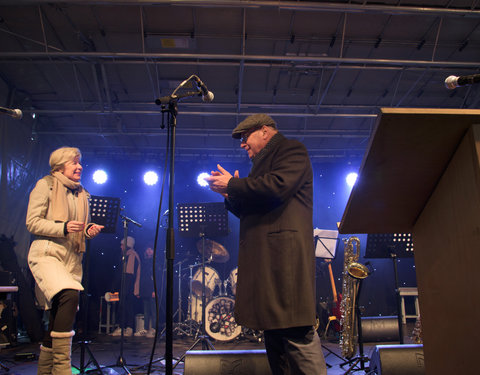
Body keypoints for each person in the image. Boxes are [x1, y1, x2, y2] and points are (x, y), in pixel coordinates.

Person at [206, 114, 327, 375]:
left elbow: (277, 186)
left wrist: (235, 184)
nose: (241, 144)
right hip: (267, 262)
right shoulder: (260, 166)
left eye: (244, 136)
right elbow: (256, 210)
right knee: (275, 335)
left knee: (297, 333)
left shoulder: (291, 149)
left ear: (264, 131)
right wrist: (231, 193)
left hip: (284, 262)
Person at [26, 146, 104, 375]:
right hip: (47, 253)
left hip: (72, 258)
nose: (80, 167)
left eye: (80, 163)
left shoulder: (83, 193)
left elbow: (81, 227)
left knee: (57, 315)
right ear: (60, 166)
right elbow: (32, 222)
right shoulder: (46, 185)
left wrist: (89, 231)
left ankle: (45, 371)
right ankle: (62, 369)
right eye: (74, 163)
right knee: (69, 293)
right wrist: (62, 227)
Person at [111, 236, 141, 337]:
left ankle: (128, 327)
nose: (121, 247)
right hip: (122, 285)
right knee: (121, 305)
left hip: (129, 285)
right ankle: (121, 326)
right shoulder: (123, 256)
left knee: (128, 306)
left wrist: (131, 288)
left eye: (122, 245)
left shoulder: (133, 256)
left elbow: (132, 274)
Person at [134, 245, 156, 338]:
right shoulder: (144, 262)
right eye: (147, 249)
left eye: (150, 249)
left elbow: (155, 277)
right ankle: (146, 328)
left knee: (153, 310)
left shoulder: (155, 262)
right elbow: (141, 277)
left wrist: (154, 290)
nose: (149, 251)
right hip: (145, 289)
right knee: (146, 311)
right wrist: (139, 290)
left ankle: (154, 329)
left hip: (152, 289)